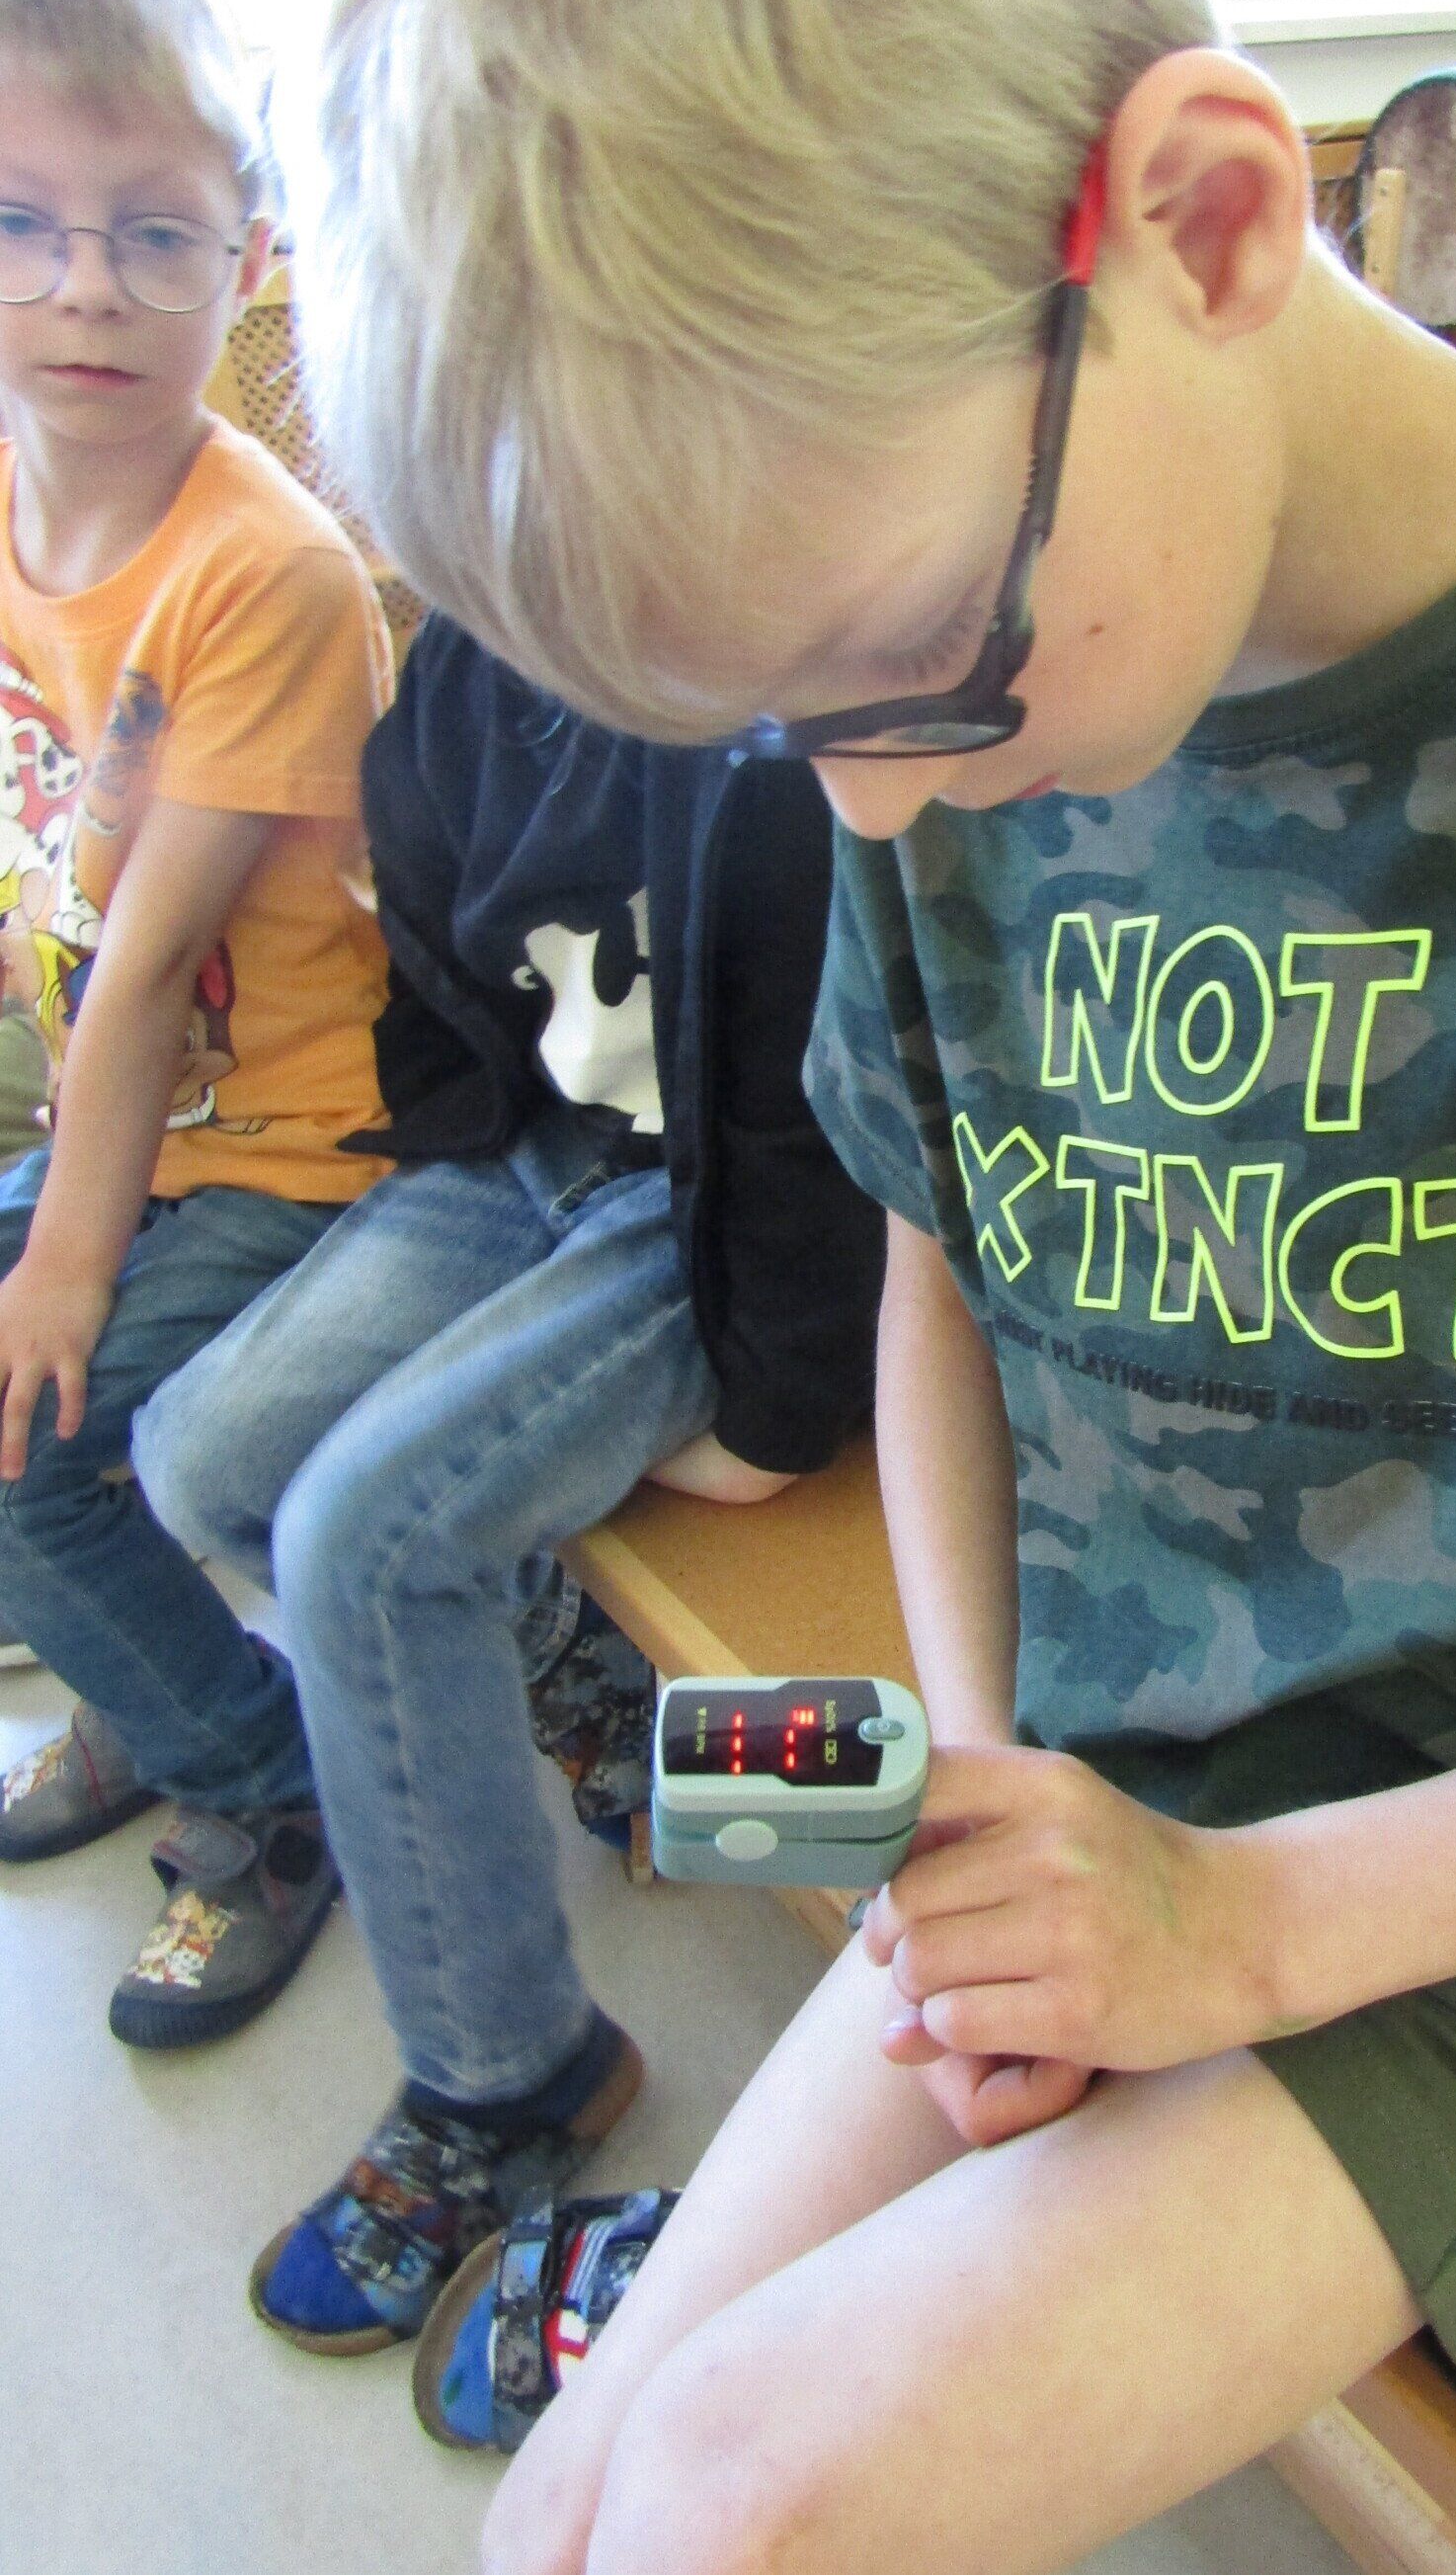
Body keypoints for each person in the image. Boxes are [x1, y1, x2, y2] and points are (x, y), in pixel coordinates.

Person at [297, 0, 1456, 2567]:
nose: (873, 808)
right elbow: (946, 1282)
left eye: (902, 663)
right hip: (1130, 1784)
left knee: (741, 2504)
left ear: (1208, 221)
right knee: (582, 2503)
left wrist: (1243, 1933)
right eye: (787, 730)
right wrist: (990, 1777)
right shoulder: (975, 709)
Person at [133, 610, 881, 2355]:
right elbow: (446, 978)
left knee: (364, 1543)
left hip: (700, 1213)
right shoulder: (463, 676)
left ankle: (510, 2076)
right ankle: (570, 1669)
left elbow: (815, 1124)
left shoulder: (753, 720)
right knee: (197, 1456)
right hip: (529, 1157)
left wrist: (775, 1421)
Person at [0, 0, 392, 2048]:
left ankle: (265, 1788)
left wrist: (61, 1266)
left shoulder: (269, 572)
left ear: (243, 261)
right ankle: (145, 1691)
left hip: (293, 1146)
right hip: (122, 1119)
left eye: (151, 234)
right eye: (23, 224)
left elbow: (150, 968)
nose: (84, 287)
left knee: (25, 1446)